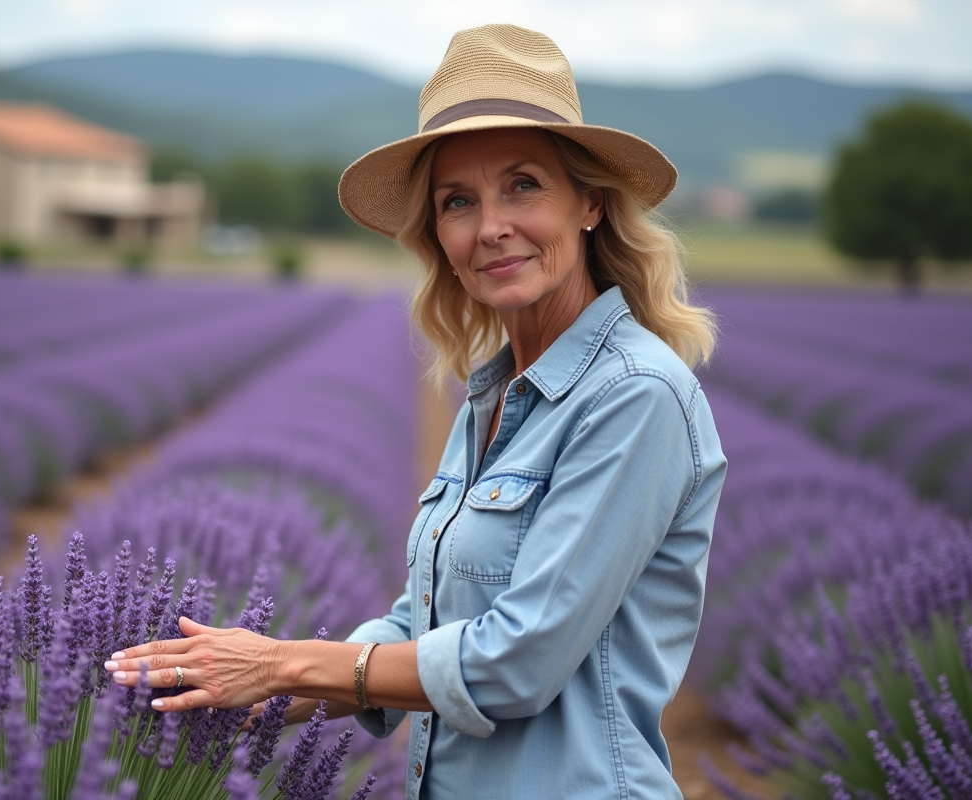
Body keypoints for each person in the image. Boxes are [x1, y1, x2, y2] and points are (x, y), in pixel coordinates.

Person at [105, 23, 727, 799]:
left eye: (524, 184)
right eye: (457, 201)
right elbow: (423, 626)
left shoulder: (634, 396)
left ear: (590, 204)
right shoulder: (499, 393)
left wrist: (279, 661)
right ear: (438, 235)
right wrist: (244, 691)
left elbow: (518, 661)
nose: (491, 225)